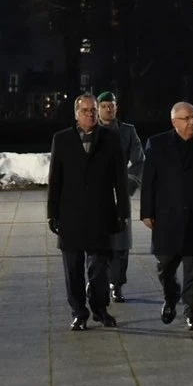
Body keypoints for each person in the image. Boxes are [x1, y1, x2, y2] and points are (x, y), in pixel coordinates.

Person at [140, 102, 193, 331]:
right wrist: (146, 212)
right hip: (166, 219)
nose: (192, 122)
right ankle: (171, 296)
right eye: (186, 118)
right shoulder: (157, 144)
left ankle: (192, 312)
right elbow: (149, 182)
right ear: (174, 122)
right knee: (165, 267)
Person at [48, 93, 128, 330]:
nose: (90, 114)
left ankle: (100, 309)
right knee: (72, 269)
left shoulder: (111, 139)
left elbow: (120, 181)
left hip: (101, 214)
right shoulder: (61, 140)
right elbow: (55, 179)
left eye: (93, 110)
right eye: (85, 111)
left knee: (99, 270)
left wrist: (122, 212)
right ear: (76, 114)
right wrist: (52, 213)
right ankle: (78, 311)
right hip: (70, 215)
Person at [96, 91, 144, 303]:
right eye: (104, 105)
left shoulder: (127, 132)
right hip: (95, 195)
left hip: (119, 194)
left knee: (120, 244)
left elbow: (139, 161)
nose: (108, 109)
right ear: (98, 108)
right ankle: (98, 281)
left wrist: (127, 186)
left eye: (111, 105)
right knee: (97, 242)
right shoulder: (90, 131)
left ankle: (117, 284)